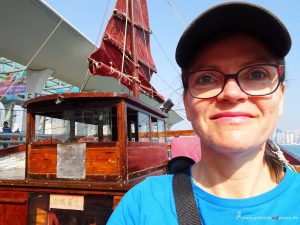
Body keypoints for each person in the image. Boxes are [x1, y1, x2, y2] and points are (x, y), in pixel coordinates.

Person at [107, 2, 300, 224]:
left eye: (256, 74)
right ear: (186, 104)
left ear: (281, 97)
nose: (232, 93)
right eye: (206, 78)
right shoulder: (142, 206)